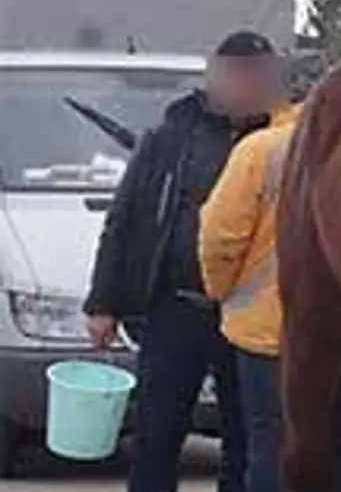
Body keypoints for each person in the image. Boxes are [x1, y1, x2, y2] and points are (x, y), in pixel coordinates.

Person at [84, 31, 284, 492]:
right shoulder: (171, 135)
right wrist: (103, 303)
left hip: (247, 315)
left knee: (245, 442)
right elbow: (126, 217)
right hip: (174, 307)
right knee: (156, 434)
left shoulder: (280, 138)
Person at [199, 93, 341, 492]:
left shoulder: (260, 149)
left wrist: (218, 291)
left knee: (270, 444)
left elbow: (220, 237)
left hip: (266, 332)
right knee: (336, 445)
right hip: (340, 329)